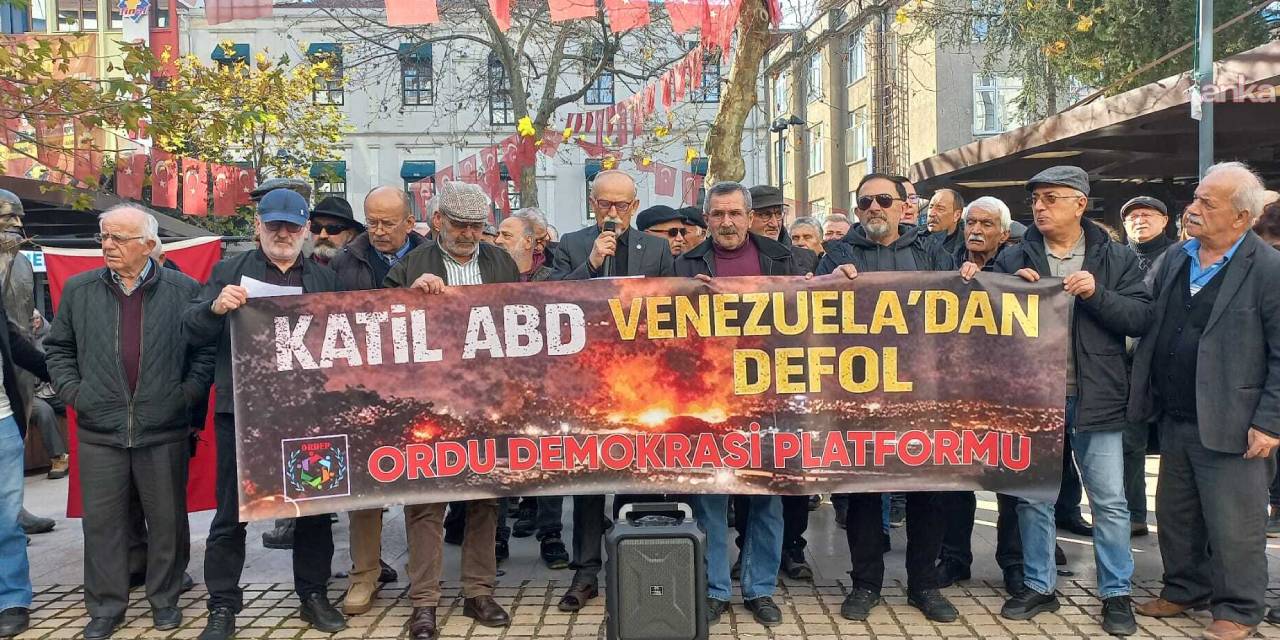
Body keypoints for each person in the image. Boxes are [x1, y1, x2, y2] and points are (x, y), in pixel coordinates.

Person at [981, 165, 1150, 636]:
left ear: (1080, 203)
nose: (1039, 206)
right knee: (1034, 499)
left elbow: (1140, 317)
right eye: (1034, 199)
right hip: (1033, 399)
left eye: (1051, 198)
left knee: (1110, 503)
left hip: (1097, 400)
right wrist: (1009, 290)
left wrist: (1097, 295)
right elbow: (979, 323)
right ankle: (1039, 585)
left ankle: (1116, 594)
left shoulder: (1115, 258)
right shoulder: (1013, 256)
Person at [44, 206, 215, 640]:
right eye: (104, 237)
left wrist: (185, 397)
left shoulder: (184, 289)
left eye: (119, 238)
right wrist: (76, 395)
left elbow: (204, 353)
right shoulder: (80, 290)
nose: (107, 245)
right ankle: (105, 606)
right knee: (102, 523)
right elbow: (58, 349)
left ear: (149, 245)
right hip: (100, 429)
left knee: (167, 521)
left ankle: (165, 600)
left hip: (164, 427)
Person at [185, 189, 346, 640]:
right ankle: (223, 605)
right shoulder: (227, 272)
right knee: (231, 513)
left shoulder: (324, 279)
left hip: (308, 415)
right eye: (273, 225)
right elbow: (190, 329)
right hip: (244, 413)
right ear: (258, 225)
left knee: (315, 509)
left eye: (291, 226)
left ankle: (313, 594)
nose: (282, 233)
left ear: (305, 230)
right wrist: (216, 308)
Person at [1130, 162, 1280, 640]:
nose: (1191, 210)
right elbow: (1142, 311)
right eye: (1195, 199)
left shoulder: (1270, 270)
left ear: (1241, 218)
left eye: (1206, 204)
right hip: (1176, 416)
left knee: (1235, 524)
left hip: (1236, 424)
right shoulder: (1177, 257)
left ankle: (1238, 608)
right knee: (1176, 513)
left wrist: (1271, 422)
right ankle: (1185, 588)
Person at [816, 172, 958, 624]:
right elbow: (805, 308)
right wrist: (825, 283)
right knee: (862, 491)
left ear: (903, 206)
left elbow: (964, 302)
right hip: (857, 391)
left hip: (923, 390)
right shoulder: (837, 252)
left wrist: (977, 278)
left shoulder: (931, 249)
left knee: (927, 492)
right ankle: (865, 583)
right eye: (865, 203)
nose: (873, 208)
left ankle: (923, 585)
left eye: (883, 200)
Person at [385, 181, 517, 640]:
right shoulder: (411, 265)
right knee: (425, 503)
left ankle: (479, 591)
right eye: (459, 225)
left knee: (485, 499)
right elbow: (381, 327)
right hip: (427, 401)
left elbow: (524, 321)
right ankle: (424, 602)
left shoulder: (501, 262)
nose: (467, 234)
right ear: (438, 221)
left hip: (486, 398)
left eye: (476, 226)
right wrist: (408, 297)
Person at [674, 182, 799, 626]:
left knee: (766, 495)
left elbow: (817, 307)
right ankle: (714, 590)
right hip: (707, 394)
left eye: (734, 213)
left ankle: (761, 589)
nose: (726, 222)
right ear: (706, 219)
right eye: (718, 214)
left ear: (749, 216)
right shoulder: (685, 263)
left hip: (769, 394)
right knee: (710, 496)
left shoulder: (784, 258)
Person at [549, 170, 674, 613]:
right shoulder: (573, 243)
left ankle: (634, 559)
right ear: (593, 203)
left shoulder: (657, 248)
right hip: (588, 382)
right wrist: (593, 266)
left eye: (622, 205)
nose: (614, 213)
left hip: (641, 381)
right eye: (606, 204)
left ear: (635, 206)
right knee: (588, 479)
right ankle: (585, 572)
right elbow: (554, 299)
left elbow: (672, 308)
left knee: (636, 475)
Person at [327, 186, 425, 615]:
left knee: (425, 491)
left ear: (410, 222)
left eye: (388, 222)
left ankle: (426, 585)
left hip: (426, 390)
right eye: (372, 221)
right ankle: (364, 575)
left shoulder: (432, 256)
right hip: (364, 391)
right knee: (364, 491)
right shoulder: (343, 262)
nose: (379, 231)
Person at [0, 204, 51, 639]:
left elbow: (15, 339)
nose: (13, 227)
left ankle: (12, 598)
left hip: (1, 415)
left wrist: (58, 372)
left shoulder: (18, 267)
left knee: (4, 519)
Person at [748, 185, 818, 273]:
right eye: (765, 215)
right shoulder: (736, 257)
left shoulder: (807, 258)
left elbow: (825, 284)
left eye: (778, 214)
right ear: (749, 218)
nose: (774, 223)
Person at [952, 196, 1011, 269]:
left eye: (986, 225)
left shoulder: (1015, 265)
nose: (975, 231)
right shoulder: (946, 261)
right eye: (970, 223)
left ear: (1004, 235)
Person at [308, 196, 364, 266]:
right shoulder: (297, 271)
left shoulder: (364, 270)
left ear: (350, 235)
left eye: (332, 229)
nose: (322, 235)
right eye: (316, 228)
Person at [1121, 196, 1173, 271]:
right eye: (1133, 217)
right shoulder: (1117, 258)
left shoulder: (1179, 254)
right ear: (1125, 225)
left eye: (1146, 215)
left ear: (1164, 221)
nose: (1139, 221)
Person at [496, 215, 554, 281]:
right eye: (497, 235)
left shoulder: (552, 279)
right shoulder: (488, 275)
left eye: (506, 235)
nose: (497, 240)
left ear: (528, 242)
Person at [925, 188, 965, 254]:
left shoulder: (967, 247)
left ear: (957, 215)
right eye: (930, 207)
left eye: (940, 209)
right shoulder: (915, 240)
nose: (931, 214)